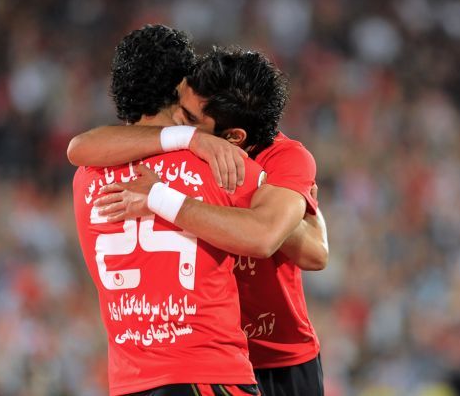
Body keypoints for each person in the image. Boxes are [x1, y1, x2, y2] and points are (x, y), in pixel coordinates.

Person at [69, 47, 328, 396]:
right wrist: (189, 138)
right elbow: (80, 148)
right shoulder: (182, 148)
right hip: (215, 357)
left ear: (233, 137)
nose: (176, 117)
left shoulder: (282, 159)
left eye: (190, 118)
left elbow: (308, 251)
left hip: (279, 358)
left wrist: (161, 198)